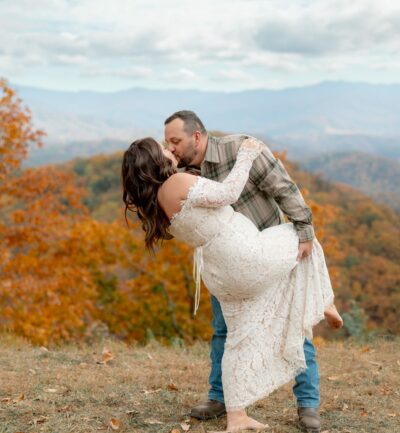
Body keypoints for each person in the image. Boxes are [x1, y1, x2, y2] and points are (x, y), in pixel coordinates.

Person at [121, 131, 342, 432]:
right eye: (162, 147)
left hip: (221, 274)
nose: (168, 149)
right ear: (154, 160)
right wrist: (248, 154)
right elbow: (228, 194)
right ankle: (323, 302)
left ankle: (237, 417)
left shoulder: (156, 202)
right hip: (245, 255)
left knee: (235, 342)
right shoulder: (176, 183)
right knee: (303, 239)